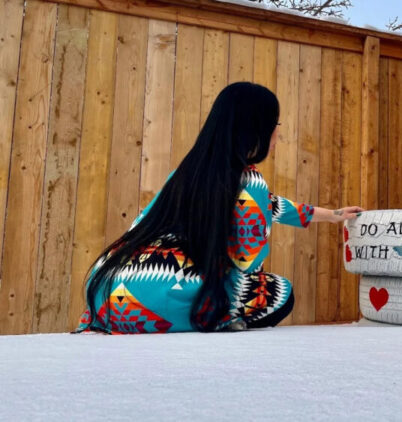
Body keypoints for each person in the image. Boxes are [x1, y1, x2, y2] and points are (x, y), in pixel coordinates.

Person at [75, 82, 363, 334]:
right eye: (275, 124)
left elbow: (272, 204)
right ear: (255, 130)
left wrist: (335, 215)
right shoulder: (250, 179)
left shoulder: (187, 173)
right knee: (279, 291)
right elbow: (247, 263)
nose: (278, 133)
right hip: (155, 300)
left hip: (105, 293)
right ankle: (211, 319)